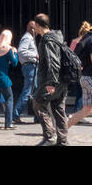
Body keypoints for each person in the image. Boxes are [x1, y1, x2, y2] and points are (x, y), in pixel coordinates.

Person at [34, 13, 69, 147]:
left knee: (37, 103)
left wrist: (51, 82)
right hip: (62, 79)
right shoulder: (57, 37)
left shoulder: (47, 40)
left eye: (35, 26)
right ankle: (63, 141)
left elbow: (53, 61)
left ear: (38, 25)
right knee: (59, 109)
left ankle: (50, 136)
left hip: (51, 80)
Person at [13, 20, 39, 124]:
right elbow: (21, 51)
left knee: (35, 91)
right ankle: (16, 114)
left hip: (32, 66)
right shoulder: (27, 38)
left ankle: (38, 116)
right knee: (28, 91)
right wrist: (35, 55)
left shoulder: (31, 38)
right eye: (36, 28)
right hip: (30, 66)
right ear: (32, 29)